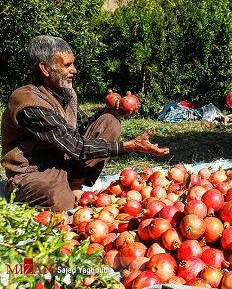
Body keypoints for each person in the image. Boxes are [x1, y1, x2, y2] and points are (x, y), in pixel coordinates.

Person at [1, 35, 170, 211]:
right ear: (45, 68)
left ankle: (74, 183)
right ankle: (60, 191)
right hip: (34, 173)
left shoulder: (65, 93)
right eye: (67, 65)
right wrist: (129, 146)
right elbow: (75, 145)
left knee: (109, 122)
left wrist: (109, 111)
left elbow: (82, 126)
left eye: (73, 64)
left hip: (62, 163)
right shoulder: (29, 103)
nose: (74, 70)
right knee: (60, 201)